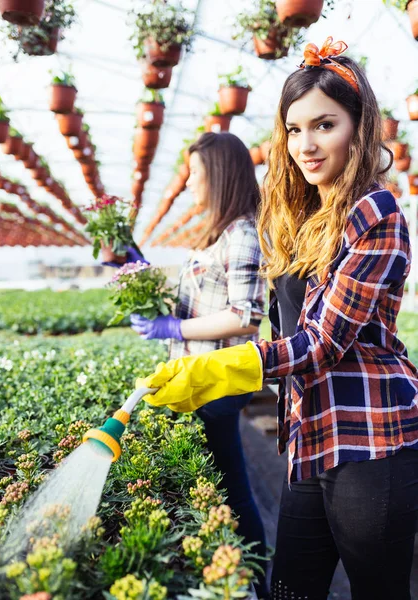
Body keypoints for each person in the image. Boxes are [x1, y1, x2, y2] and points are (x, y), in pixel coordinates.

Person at [138, 38, 418, 600]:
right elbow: (281, 324)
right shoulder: (306, 216)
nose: (305, 145)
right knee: (290, 587)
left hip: (369, 437)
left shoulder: (377, 214)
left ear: (360, 128)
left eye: (324, 125)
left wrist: (225, 368)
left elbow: (322, 343)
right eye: (293, 130)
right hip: (308, 435)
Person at [131, 132, 269, 599]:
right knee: (222, 480)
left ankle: (258, 579)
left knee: (231, 485)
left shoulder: (244, 234)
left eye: (196, 174)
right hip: (199, 377)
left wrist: (174, 330)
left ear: (222, 174)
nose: (189, 184)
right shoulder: (218, 232)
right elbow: (200, 302)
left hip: (218, 382)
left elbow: (246, 317)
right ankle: (246, 575)